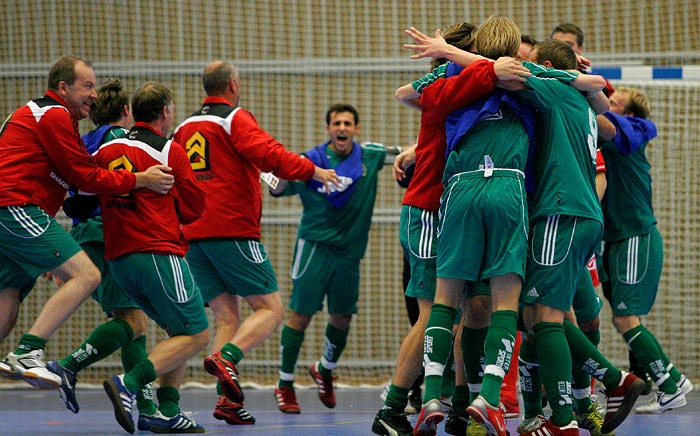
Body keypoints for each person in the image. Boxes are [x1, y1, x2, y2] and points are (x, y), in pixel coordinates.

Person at [374, 21, 531, 436]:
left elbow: (411, 95)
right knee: (433, 313)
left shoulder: (464, 82)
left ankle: (461, 403)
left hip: (455, 204)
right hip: (430, 207)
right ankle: (395, 407)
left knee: (470, 312)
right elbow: (411, 93)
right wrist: (447, 61)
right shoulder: (458, 81)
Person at [171, 60, 339, 426]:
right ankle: (227, 358)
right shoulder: (233, 118)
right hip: (231, 230)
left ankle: (225, 402)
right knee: (271, 310)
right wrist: (313, 171)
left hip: (193, 235)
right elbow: (269, 154)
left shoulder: (183, 128)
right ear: (233, 84)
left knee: (227, 317)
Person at [0, 55, 174, 389]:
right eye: (88, 85)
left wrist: (48, 249)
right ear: (63, 87)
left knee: (8, 291)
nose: (94, 94)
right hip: (16, 207)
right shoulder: (54, 115)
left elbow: (75, 186)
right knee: (88, 275)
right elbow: (86, 177)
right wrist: (141, 179)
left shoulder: (49, 120)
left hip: (19, 216)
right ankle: (28, 351)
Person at [44, 78, 158, 431]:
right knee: (133, 321)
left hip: (82, 233)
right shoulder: (120, 141)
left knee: (133, 323)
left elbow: (71, 191)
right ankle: (68, 365)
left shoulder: (84, 141)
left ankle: (147, 407)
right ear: (126, 112)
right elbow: (117, 191)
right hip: (106, 232)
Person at [95, 81, 208, 434]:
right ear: (164, 113)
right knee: (198, 335)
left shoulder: (106, 148)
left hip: (119, 260)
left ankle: (169, 411)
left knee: (178, 331)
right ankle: (129, 383)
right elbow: (193, 208)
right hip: (158, 253)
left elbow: (82, 196)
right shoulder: (168, 150)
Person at [271, 103, 387, 414]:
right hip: (314, 248)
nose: (342, 128)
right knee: (300, 315)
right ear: (328, 129)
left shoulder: (371, 156)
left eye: (348, 123)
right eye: (337, 123)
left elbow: (409, 152)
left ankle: (325, 368)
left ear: (356, 129)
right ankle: (284, 383)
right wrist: (279, 169)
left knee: (342, 317)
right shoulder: (310, 162)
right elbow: (276, 187)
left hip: (349, 253)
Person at [600, 86, 693, 415]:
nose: (607, 105)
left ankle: (669, 384)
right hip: (616, 238)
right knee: (622, 318)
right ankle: (672, 380)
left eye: (615, 103)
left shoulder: (634, 131)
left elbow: (605, 120)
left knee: (626, 317)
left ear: (630, 114)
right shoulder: (606, 133)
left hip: (636, 236)